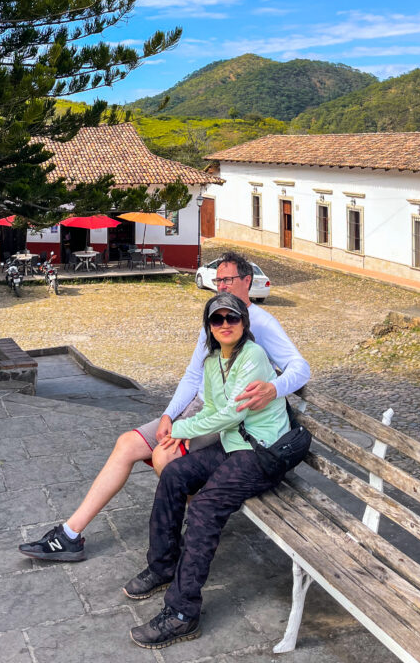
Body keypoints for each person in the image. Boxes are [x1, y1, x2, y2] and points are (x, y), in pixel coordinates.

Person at [18, 251, 309, 563]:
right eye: (218, 279)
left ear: (247, 281)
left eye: (229, 279)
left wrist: (274, 388)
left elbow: (300, 367)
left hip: (227, 418)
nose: (222, 285)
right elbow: (193, 375)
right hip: (199, 406)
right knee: (127, 443)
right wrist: (170, 414)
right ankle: (70, 534)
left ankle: (196, 525)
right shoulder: (215, 317)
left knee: (164, 456)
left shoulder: (262, 323)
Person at [125, 292, 291, 649]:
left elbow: (232, 414)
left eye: (233, 318)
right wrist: (176, 432)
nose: (226, 325)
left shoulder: (254, 357)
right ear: (210, 327)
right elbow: (211, 411)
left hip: (260, 453)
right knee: (174, 474)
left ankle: (183, 613)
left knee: (203, 508)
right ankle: (163, 565)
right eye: (218, 320)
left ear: (244, 324)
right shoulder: (214, 361)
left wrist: (178, 430)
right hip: (234, 446)